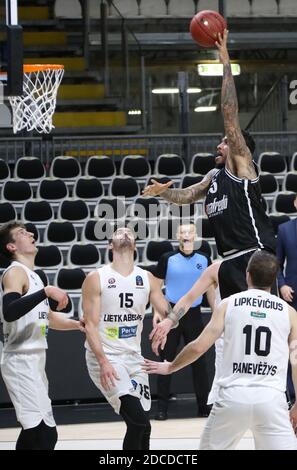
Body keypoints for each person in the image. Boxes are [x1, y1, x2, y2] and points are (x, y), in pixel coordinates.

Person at [143, 30, 276, 299]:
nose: (219, 145)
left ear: (240, 147)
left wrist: (225, 63)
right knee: (233, 329)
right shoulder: (214, 176)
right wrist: (163, 192)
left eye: (225, 142)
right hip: (229, 258)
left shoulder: (242, 166)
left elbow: (229, 114)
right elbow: (188, 195)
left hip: (254, 254)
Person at [144, 251, 297, 450]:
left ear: (247, 275)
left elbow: (198, 346)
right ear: (275, 278)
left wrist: (171, 366)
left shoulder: (228, 304)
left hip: (233, 396)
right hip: (272, 400)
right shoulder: (289, 312)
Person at [82, 226, 174, 450]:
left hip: (134, 358)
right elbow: (90, 326)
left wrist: (166, 323)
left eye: (129, 232)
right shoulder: (97, 278)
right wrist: (103, 362)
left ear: (135, 246)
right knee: (137, 422)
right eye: (118, 232)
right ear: (110, 246)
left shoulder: (147, 278)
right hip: (107, 357)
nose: (124, 233)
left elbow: (170, 313)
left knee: (145, 427)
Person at [0, 222, 83, 450]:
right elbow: (9, 311)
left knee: (40, 432)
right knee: (43, 434)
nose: (30, 233)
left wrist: (78, 324)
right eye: (21, 233)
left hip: (35, 359)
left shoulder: (35, 276)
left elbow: (47, 317)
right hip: (19, 359)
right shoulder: (15, 272)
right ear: (11, 246)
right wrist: (45, 292)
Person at [152, 222, 215, 419]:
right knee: (165, 359)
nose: (186, 235)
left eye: (190, 232)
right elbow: (155, 287)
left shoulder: (204, 259)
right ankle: (161, 407)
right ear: (178, 236)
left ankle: (203, 406)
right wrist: (157, 311)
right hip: (170, 315)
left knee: (199, 361)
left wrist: (216, 311)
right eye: (183, 232)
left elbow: (211, 288)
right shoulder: (167, 259)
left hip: (194, 315)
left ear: (195, 236)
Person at [276, 194, 297, 402]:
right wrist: (281, 285)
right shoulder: (284, 230)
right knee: (293, 347)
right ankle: (292, 395)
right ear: (295, 203)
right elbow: (276, 264)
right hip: (293, 298)